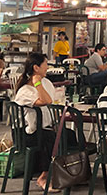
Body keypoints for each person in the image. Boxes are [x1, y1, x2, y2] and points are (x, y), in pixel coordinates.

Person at [14, 53, 74, 191]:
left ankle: (73, 171)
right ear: (36, 67)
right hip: (26, 133)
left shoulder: (46, 82)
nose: (48, 67)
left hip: (43, 128)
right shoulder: (25, 91)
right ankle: (43, 176)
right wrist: (36, 82)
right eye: (45, 64)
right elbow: (46, 101)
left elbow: (52, 101)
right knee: (50, 138)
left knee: (69, 135)